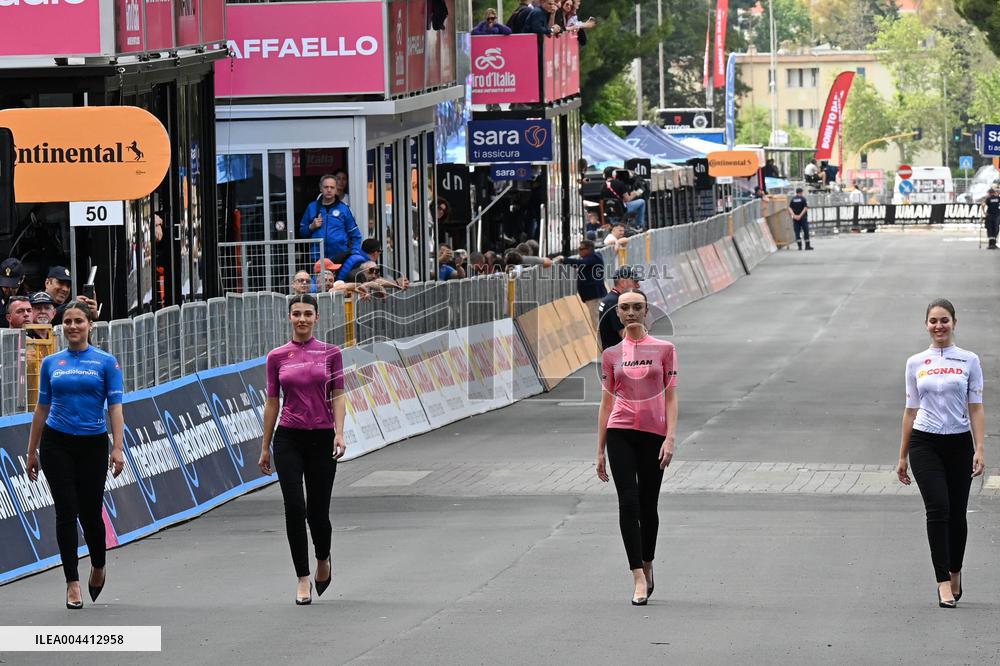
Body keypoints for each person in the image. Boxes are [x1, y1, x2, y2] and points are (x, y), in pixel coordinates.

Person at [25, 300, 125, 609]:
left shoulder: (106, 362)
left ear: (90, 325)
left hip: (93, 443)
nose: (72, 327)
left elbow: (115, 407)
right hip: (57, 443)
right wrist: (32, 451)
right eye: (67, 321)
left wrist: (118, 447)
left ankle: (98, 564)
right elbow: (41, 408)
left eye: (78, 321)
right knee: (65, 511)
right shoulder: (52, 362)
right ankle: (72, 582)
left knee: (90, 512)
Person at [896, 299, 985, 608]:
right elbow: (910, 411)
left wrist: (980, 448)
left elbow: (975, 407)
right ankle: (942, 583)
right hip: (925, 443)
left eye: (944, 320)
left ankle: (955, 570)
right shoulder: (915, 362)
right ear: (926, 325)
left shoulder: (969, 361)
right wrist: (902, 456)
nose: (939, 326)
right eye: (933, 321)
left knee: (957, 513)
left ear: (954, 323)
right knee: (938, 508)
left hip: (960, 444)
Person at [259, 294, 347, 605]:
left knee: (317, 513)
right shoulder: (277, 356)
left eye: (307, 314)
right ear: (289, 318)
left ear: (317, 318)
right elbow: (272, 402)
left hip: (322, 438)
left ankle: (323, 557)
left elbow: (338, 396)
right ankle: (302, 576)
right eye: (296, 314)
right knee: (295, 507)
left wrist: (339, 433)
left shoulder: (331, 353)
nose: (302, 319)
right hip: (289, 438)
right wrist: (265, 446)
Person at [595, 288, 678, 606]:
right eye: (624, 307)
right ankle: (637, 576)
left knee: (648, 505)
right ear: (617, 313)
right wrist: (599, 449)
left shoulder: (665, 349)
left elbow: (671, 395)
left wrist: (670, 437)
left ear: (647, 312)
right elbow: (605, 403)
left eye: (637, 307)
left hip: (654, 434)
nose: (630, 312)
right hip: (620, 432)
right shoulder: (611, 355)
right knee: (628, 503)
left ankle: (648, 561)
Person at [299, 174, 362, 264]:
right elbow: (302, 232)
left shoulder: (344, 208)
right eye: (326, 187)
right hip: (317, 258)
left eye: (332, 187)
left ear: (336, 189)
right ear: (321, 188)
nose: (329, 190)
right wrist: (311, 227)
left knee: (339, 279)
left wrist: (354, 254)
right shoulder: (312, 207)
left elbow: (356, 235)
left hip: (340, 257)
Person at [558, 239, 607, 328]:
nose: (579, 251)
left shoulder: (595, 258)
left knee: (598, 323)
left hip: (595, 296)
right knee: (597, 321)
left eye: (581, 249)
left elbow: (580, 263)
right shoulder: (591, 258)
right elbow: (579, 264)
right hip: (592, 296)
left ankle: (603, 341)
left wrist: (563, 259)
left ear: (588, 249)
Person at [597, 266, 641, 350]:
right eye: (635, 281)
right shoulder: (615, 302)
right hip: (619, 356)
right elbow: (624, 334)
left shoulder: (611, 298)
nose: (638, 286)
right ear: (623, 282)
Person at [0, 257, 25, 327]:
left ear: (22, 279)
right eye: (5, 286)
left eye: (13, 286)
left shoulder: (28, 297)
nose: (9, 290)